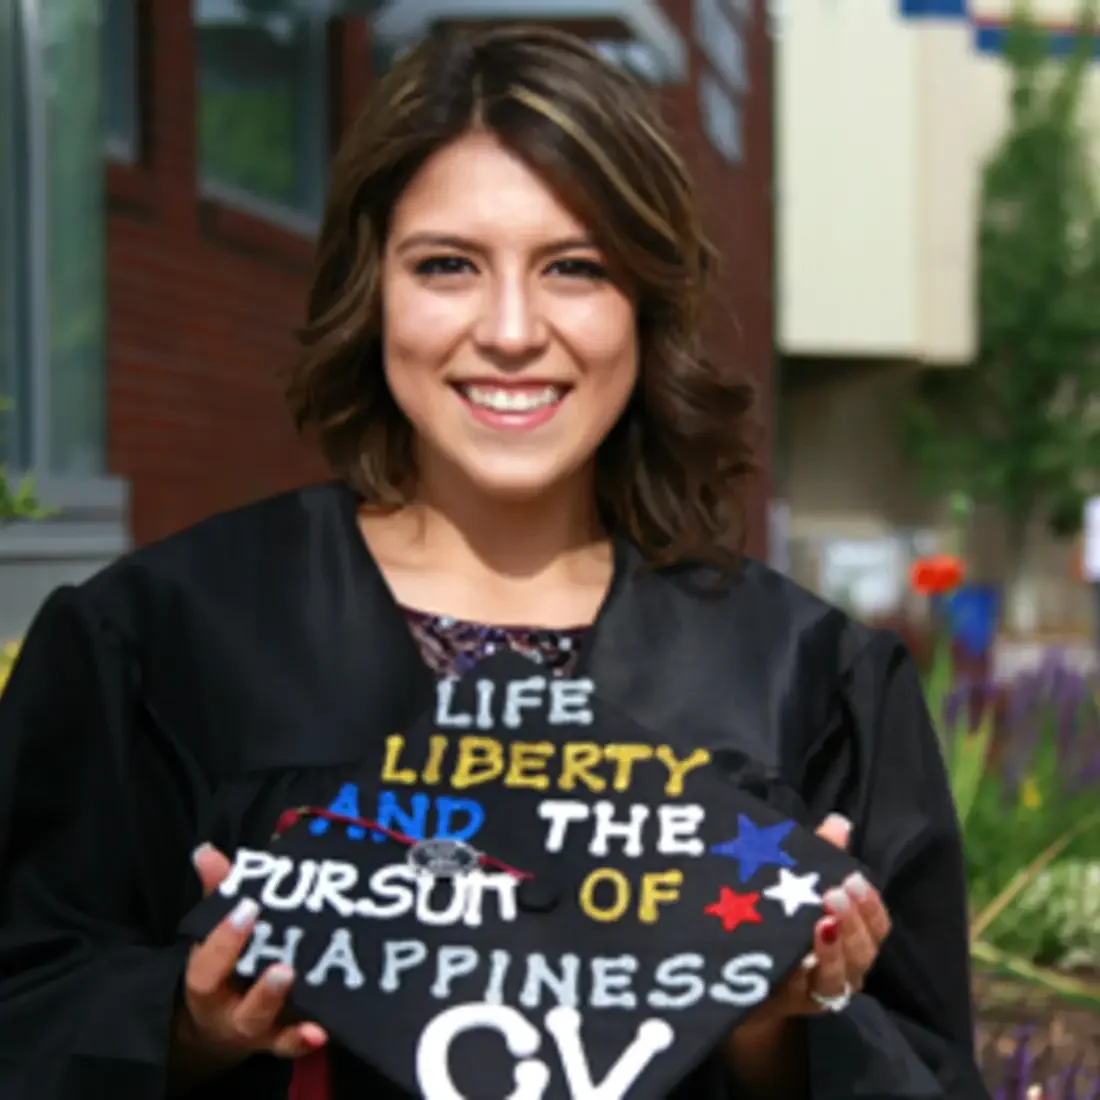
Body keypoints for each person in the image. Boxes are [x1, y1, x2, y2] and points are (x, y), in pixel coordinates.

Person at [0, 24, 988, 1100]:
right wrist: (189, 1024)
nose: (510, 328)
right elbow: (27, 1006)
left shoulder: (804, 681)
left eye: (573, 267)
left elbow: (925, 1072)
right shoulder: (165, 642)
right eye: (446, 266)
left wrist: (769, 1025)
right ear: (370, 287)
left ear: (644, 306)